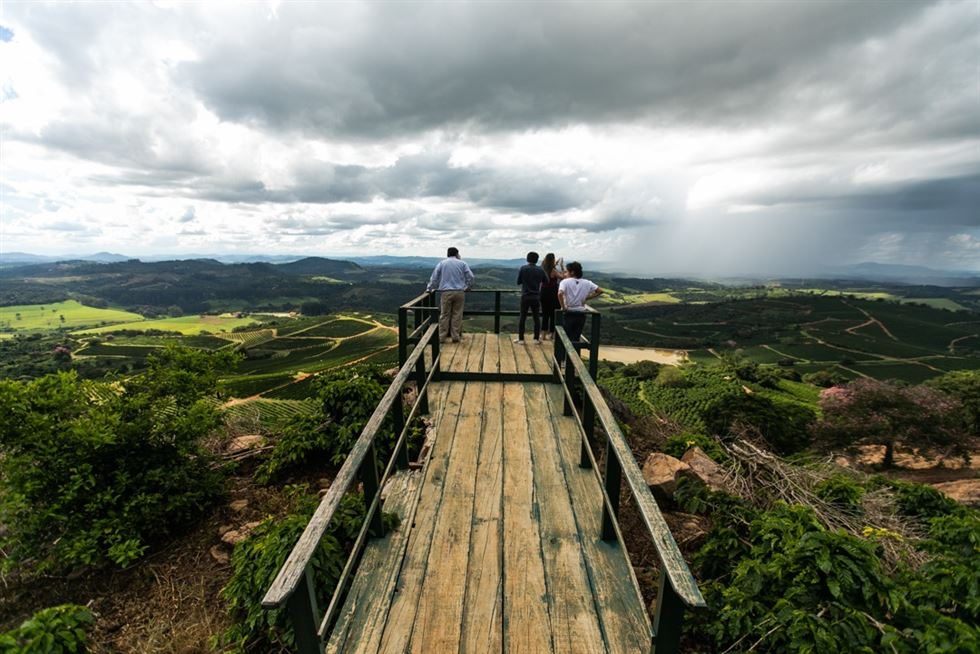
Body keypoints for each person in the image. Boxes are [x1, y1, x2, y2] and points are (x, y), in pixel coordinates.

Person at [426, 247, 474, 343]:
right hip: (459, 292)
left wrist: (429, 289)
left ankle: (442, 337)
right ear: (457, 254)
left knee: (444, 314)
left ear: (447, 254)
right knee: (457, 314)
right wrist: (468, 287)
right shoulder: (462, 263)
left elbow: (434, 277)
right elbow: (471, 277)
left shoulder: (442, 263)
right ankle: (455, 336)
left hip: (446, 292)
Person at [558, 261, 602, 343]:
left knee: (566, 338)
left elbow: (560, 293)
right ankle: (576, 354)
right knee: (576, 337)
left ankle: (565, 355)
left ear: (572, 272)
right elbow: (600, 291)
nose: (566, 274)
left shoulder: (565, 282)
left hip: (569, 312)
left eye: (567, 271)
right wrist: (586, 298)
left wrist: (563, 307)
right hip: (581, 313)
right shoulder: (587, 282)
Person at [516, 251, 547, 343]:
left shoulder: (523, 268)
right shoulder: (540, 270)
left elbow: (518, 282)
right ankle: (536, 339)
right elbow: (546, 281)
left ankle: (521, 339)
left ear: (527, 259)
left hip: (525, 296)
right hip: (536, 296)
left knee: (522, 317)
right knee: (536, 318)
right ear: (537, 260)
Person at [539, 253, 564, 340]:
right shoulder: (554, 271)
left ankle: (543, 335)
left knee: (545, 314)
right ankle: (552, 334)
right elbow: (562, 277)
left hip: (543, 292)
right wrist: (562, 266)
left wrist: (555, 263)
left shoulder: (542, 268)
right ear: (553, 260)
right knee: (553, 314)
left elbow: (547, 264)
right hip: (553, 293)